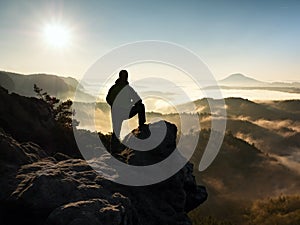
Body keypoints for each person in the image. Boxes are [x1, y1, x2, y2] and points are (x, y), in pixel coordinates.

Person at [106, 70, 146, 149]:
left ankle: (113, 150)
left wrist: (113, 106)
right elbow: (138, 100)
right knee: (141, 107)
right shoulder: (128, 89)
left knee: (116, 131)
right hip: (125, 112)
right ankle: (142, 126)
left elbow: (107, 99)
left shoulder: (114, 87)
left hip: (116, 113)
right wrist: (132, 104)